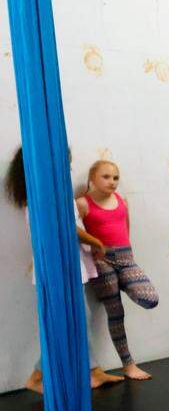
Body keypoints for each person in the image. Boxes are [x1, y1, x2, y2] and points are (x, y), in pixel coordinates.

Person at [5, 147, 124, 392]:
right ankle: (38, 376)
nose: (69, 168)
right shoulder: (44, 194)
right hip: (57, 266)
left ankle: (93, 371)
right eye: (66, 162)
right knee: (64, 323)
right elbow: (66, 227)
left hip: (66, 263)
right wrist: (96, 241)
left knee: (80, 319)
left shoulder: (49, 192)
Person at [78, 160, 158, 380]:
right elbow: (72, 229)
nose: (112, 182)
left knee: (149, 298)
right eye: (106, 177)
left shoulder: (122, 200)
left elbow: (126, 228)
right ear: (92, 178)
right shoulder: (82, 204)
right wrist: (92, 246)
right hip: (102, 261)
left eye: (115, 178)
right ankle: (128, 365)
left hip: (125, 258)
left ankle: (121, 283)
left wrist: (126, 259)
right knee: (116, 313)